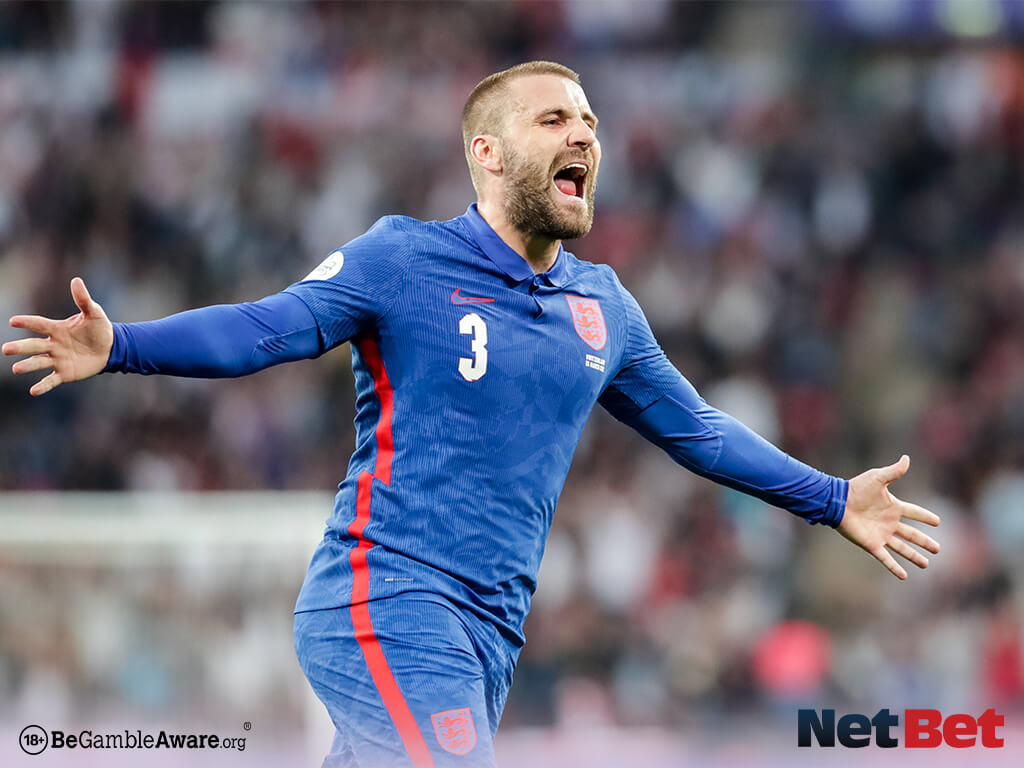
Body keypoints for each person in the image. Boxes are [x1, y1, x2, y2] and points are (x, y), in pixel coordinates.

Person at [3, 61, 940, 768]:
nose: (584, 135)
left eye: (590, 121)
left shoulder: (604, 307)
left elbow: (697, 430)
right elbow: (265, 328)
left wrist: (831, 498)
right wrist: (121, 345)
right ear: (487, 153)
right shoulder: (402, 261)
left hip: (489, 634)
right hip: (384, 599)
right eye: (554, 119)